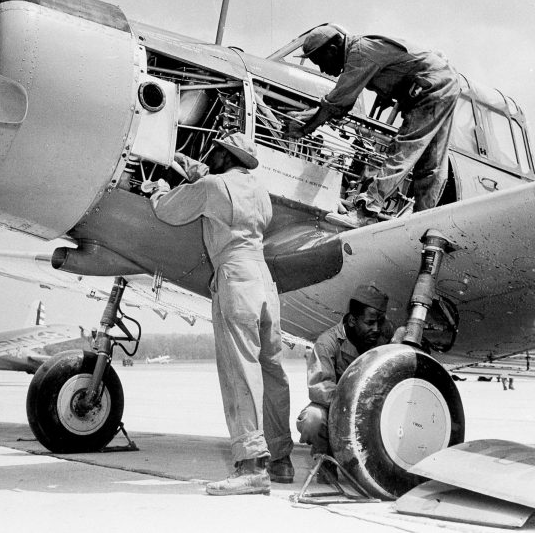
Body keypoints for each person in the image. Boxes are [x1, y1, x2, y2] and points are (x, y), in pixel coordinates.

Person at [150, 132, 293, 496]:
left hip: (235, 277)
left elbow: (169, 209)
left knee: (239, 369)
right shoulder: (258, 191)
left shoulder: (214, 186)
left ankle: (250, 466)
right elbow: (217, 185)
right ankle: (280, 459)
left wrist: (158, 188)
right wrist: (188, 166)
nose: (208, 155)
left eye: (213, 151)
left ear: (224, 155)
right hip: (264, 279)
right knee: (271, 368)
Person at [287, 25, 460, 228]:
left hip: (430, 87)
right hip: (444, 83)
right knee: (431, 162)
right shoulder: (361, 49)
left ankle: (367, 209)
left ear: (333, 48)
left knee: (403, 150)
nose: (323, 70)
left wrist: (302, 129)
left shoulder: (359, 52)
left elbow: (338, 103)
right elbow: (339, 104)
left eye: (320, 61)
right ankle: (425, 222)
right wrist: (308, 116)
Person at [296, 283, 389, 474]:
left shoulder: (383, 336)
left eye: (380, 322)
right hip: (337, 410)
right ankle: (326, 458)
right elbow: (319, 388)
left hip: (374, 411)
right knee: (312, 419)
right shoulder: (327, 343)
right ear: (353, 320)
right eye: (370, 322)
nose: (377, 329)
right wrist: (355, 404)